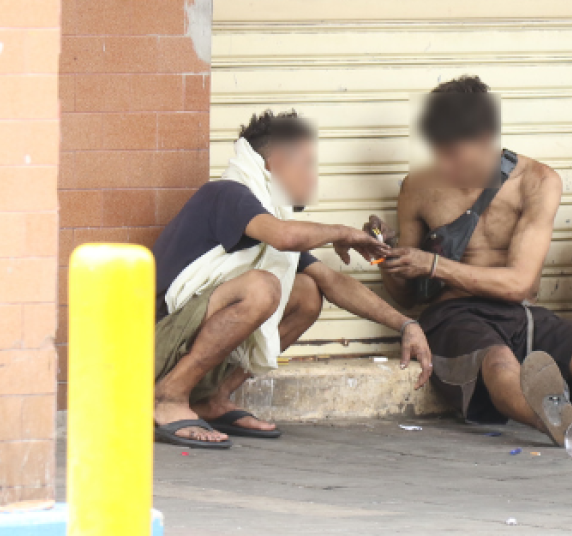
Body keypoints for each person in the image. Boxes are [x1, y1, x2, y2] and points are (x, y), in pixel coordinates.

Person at [366, 76, 572, 448]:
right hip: (453, 317)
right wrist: (385, 256)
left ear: (488, 138)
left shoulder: (537, 181)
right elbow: (406, 297)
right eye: (438, 151)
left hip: (522, 315)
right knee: (500, 362)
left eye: (455, 153)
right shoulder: (418, 187)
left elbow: (521, 284)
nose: (445, 164)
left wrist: (434, 265)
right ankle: (564, 427)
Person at [151, 110, 434, 449]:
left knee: (307, 293)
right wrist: (340, 233)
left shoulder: (268, 221)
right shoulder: (228, 194)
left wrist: (407, 325)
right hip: (152, 348)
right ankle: (167, 397)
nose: (313, 179)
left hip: (179, 346)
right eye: (307, 165)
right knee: (262, 287)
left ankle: (211, 399)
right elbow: (285, 236)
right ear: (274, 164)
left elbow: (334, 283)